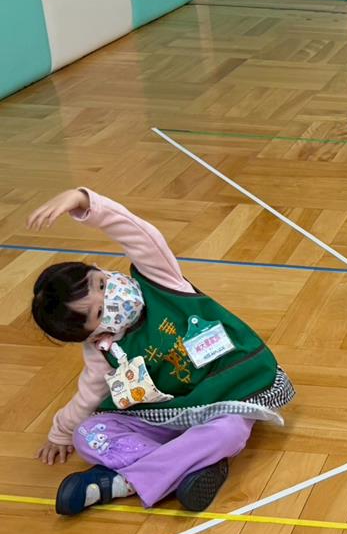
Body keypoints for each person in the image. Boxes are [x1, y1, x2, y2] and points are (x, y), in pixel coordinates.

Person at [29, 187, 294, 515]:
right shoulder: (101, 351)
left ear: (99, 269)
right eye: (98, 312)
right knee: (87, 435)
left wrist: (84, 201)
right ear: (89, 333)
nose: (110, 298)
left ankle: (125, 482)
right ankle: (188, 463)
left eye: (101, 284)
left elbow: (139, 234)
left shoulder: (160, 279)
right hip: (165, 415)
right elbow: (87, 397)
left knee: (229, 432)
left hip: (227, 394)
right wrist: (61, 433)